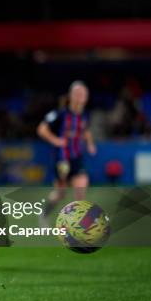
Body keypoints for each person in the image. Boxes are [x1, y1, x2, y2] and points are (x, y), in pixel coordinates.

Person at [37, 81, 97, 226]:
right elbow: (41, 129)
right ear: (70, 96)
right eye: (77, 93)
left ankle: (77, 222)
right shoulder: (59, 114)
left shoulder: (85, 115)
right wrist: (56, 140)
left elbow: (86, 131)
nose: (80, 97)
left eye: (83, 94)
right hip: (62, 159)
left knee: (81, 187)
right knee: (60, 192)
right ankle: (44, 213)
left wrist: (90, 144)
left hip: (77, 157)